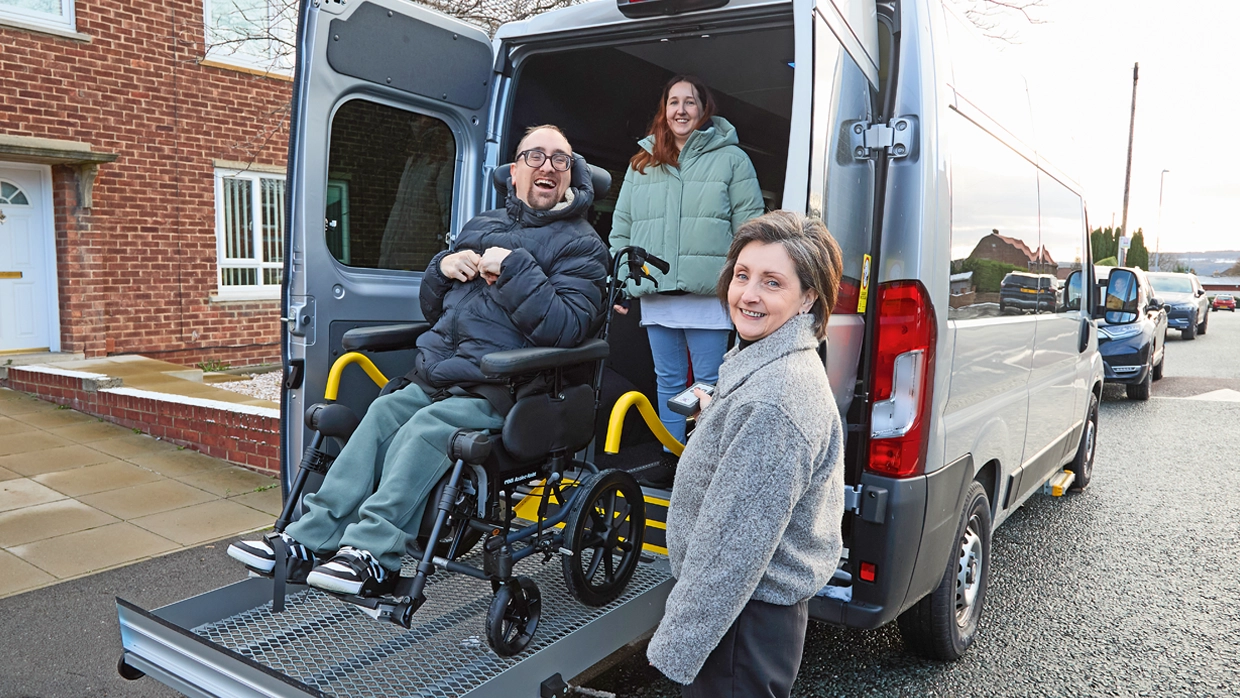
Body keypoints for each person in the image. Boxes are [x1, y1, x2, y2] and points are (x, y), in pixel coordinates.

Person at [228, 125, 610, 597]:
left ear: (571, 176)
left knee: (424, 429)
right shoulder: (481, 226)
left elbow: (569, 328)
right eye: (535, 156)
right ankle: (309, 538)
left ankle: (374, 554)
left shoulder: (583, 245)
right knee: (383, 413)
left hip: (510, 385)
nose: (547, 166)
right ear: (514, 172)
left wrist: (513, 268)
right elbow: (434, 309)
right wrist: (441, 268)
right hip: (441, 374)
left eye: (560, 158)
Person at [646, 211, 845, 697]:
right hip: (747, 614)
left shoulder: (774, 402)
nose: (748, 294)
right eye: (742, 275)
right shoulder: (772, 362)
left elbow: (731, 549)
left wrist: (675, 646)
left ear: (808, 299)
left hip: (741, 621)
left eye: (772, 282)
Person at [608, 75, 765, 486]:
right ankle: (670, 455)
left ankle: (705, 461)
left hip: (709, 295)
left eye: (689, 102)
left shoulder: (733, 160)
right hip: (657, 294)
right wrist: (625, 279)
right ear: (664, 110)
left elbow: (750, 230)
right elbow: (621, 229)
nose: (681, 110)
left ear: (703, 109)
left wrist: (742, 284)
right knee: (670, 381)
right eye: (673, 102)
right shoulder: (641, 162)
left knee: (707, 384)